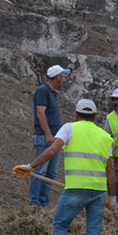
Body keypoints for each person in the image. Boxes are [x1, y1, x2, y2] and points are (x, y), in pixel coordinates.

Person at [16, 99, 116, 235]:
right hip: (99, 191)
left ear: (76, 115)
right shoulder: (105, 136)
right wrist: (113, 197)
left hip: (76, 190)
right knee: (93, 232)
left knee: (59, 225)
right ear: (94, 117)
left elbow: (51, 151)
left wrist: (30, 166)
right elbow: (110, 170)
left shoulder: (69, 128)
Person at [30, 64, 69, 207]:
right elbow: (40, 113)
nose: (64, 78)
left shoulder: (51, 92)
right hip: (46, 137)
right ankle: (34, 203)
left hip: (53, 137)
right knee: (40, 170)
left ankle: (43, 202)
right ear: (58, 76)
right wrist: (47, 134)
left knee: (50, 172)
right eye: (63, 75)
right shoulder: (43, 91)